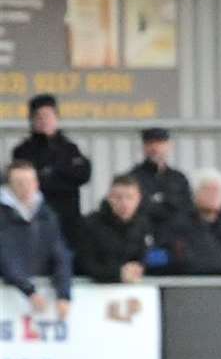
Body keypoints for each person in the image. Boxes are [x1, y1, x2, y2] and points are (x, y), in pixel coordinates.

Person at [10, 94, 91, 246]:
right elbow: (30, 184)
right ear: (32, 120)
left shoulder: (70, 148)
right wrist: (62, 176)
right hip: (36, 220)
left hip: (68, 222)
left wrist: (50, 173)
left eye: (48, 115)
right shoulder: (23, 151)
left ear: (56, 117)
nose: (44, 120)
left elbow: (84, 175)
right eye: (39, 117)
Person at [0, 160, 72, 319]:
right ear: (9, 186)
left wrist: (63, 294)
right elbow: (6, 257)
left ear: (36, 183)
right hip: (11, 297)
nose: (26, 187)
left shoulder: (47, 215)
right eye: (19, 183)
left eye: (30, 181)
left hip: (39, 291)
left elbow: (60, 255)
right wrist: (29, 291)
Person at [74, 174, 153, 284]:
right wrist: (117, 274)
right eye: (118, 197)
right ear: (109, 198)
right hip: (94, 291)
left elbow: (143, 257)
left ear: (138, 199)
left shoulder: (143, 225)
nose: (124, 203)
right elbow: (85, 263)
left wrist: (137, 269)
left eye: (130, 197)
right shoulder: (90, 224)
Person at [129, 127, 193, 242]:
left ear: (169, 146)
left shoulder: (178, 178)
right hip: (142, 242)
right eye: (150, 143)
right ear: (144, 147)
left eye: (159, 143)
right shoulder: (133, 178)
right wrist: (168, 206)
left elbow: (188, 210)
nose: (155, 148)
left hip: (176, 242)